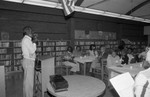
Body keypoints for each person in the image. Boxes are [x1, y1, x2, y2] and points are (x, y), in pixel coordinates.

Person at [21, 26, 37, 97]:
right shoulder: (26, 40)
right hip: (29, 62)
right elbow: (32, 51)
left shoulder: (26, 39)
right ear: (28, 32)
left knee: (27, 81)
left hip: (28, 61)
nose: (32, 33)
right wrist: (34, 42)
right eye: (31, 31)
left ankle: (27, 95)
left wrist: (32, 41)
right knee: (29, 82)